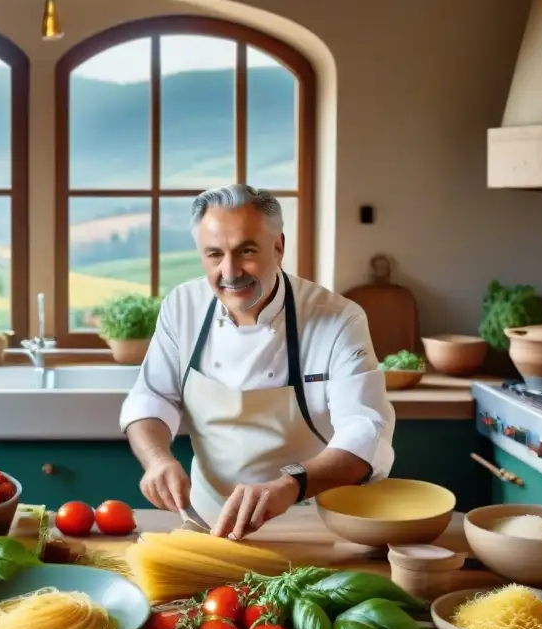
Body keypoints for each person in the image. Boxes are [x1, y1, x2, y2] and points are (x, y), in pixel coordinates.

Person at [120, 184, 396, 540]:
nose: (231, 272)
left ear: (279, 247)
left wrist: (290, 484)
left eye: (246, 252)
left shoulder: (338, 318)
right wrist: (157, 459)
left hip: (312, 519)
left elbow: (365, 430)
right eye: (214, 255)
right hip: (207, 520)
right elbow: (153, 397)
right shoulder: (182, 306)